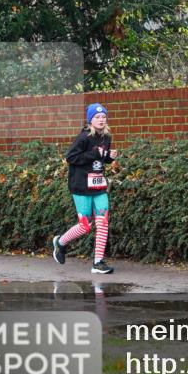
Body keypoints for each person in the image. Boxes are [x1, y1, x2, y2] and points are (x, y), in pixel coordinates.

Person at [52, 103, 118, 274]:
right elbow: (71, 158)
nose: (101, 120)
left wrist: (109, 157)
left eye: (103, 117)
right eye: (97, 117)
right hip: (81, 186)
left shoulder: (106, 137)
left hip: (99, 185)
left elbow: (100, 159)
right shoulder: (83, 137)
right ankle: (60, 242)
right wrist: (95, 153)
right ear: (90, 120)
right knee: (85, 226)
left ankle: (98, 263)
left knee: (103, 222)